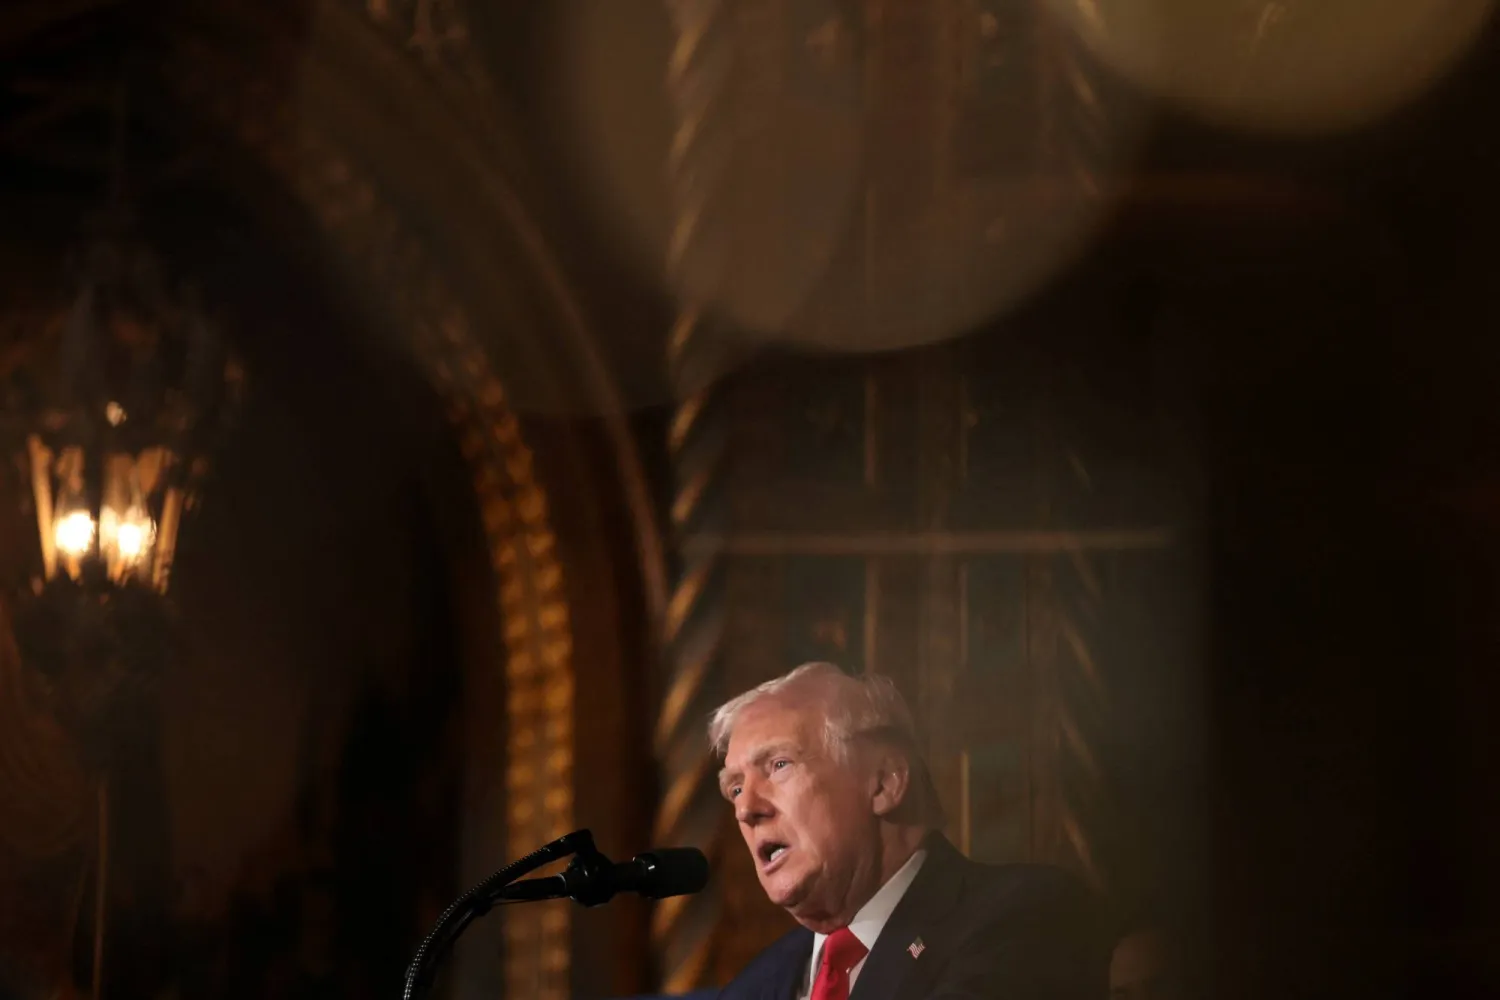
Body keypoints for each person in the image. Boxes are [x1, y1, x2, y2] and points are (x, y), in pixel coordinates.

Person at [713, 663, 1106, 1000]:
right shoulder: (753, 986)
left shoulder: (1026, 919)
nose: (746, 810)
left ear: (885, 783)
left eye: (779, 765)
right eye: (735, 788)